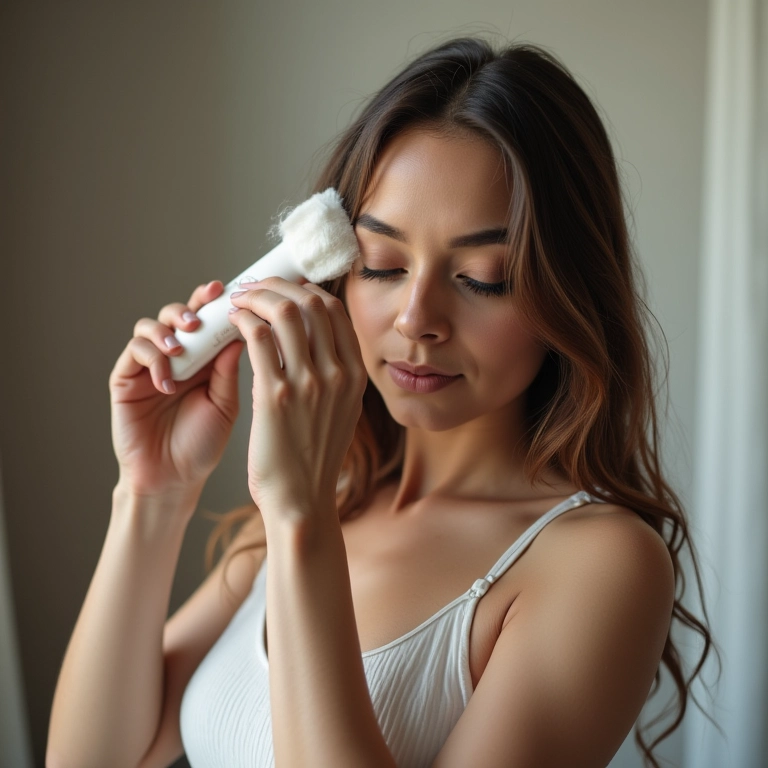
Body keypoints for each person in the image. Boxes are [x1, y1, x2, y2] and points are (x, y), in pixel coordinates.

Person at [47, 36, 720, 768]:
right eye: (383, 265)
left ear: (568, 295)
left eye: (483, 278)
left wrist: (300, 517)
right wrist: (153, 492)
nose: (415, 318)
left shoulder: (599, 565)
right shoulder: (312, 510)